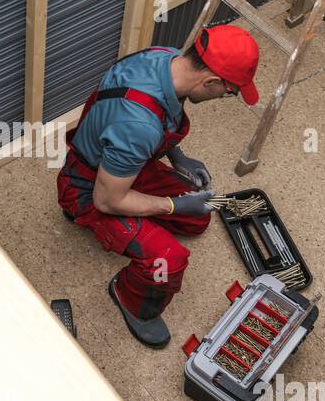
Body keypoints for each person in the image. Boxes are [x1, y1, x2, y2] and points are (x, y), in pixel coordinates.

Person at [57, 23, 261, 346]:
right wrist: (172, 205)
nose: (227, 97)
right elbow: (106, 200)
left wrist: (178, 158)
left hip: (122, 163)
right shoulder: (138, 125)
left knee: (199, 217)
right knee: (167, 260)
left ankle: (150, 215)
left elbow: (159, 119)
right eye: (229, 92)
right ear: (210, 81)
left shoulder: (165, 59)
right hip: (88, 188)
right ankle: (129, 299)